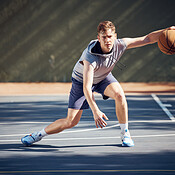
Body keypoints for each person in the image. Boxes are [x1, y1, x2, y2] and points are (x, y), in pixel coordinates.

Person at [21, 21, 175, 147]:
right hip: (82, 82)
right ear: (99, 38)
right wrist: (95, 111)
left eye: (110, 36)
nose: (107, 40)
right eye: (104, 37)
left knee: (120, 95)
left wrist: (167, 30)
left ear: (115, 36)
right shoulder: (90, 56)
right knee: (70, 121)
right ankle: (37, 135)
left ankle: (125, 133)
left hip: (104, 78)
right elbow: (87, 87)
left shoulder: (120, 44)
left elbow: (147, 38)